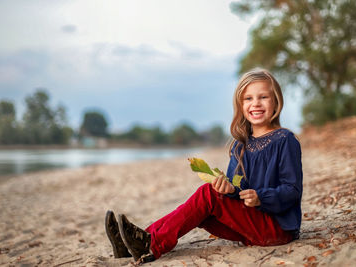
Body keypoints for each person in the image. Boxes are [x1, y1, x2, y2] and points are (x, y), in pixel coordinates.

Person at [105, 68, 303, 264]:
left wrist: (261, 197)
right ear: (240, 105)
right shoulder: (240, 145)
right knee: (197, 210)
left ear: (276, 101)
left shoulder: (285, 140)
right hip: (249, 223)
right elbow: (236, 190)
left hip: (276, 228)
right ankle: (134, 242)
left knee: (207, 194)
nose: (255, 104)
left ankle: (151, 243)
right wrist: (229, 189)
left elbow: (292, 190)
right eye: (248, 99)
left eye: (263, 97)